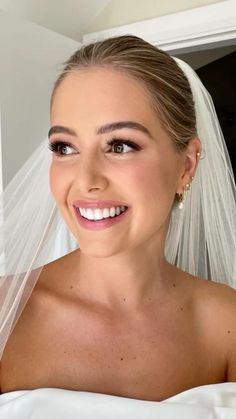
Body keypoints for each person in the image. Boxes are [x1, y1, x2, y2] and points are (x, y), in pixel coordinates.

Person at [0, 35, 236, 416]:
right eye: (65, 147)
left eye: (120, 145)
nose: (86, 179)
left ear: (187, 166)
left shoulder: (227, 326)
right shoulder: (5, 317)